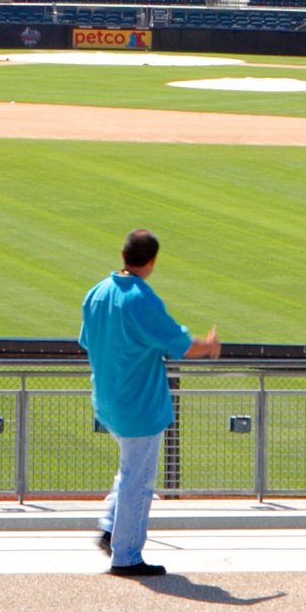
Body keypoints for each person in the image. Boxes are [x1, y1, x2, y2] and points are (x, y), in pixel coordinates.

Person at [79, 229, 221, 577]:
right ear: (152, 261)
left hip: (109, 399)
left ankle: (111, 527)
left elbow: (88, 340)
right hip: (137, 405)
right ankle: (125, 555)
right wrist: (209, 345)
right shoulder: (141, 298)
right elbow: (183, 346)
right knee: (138, 481)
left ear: (123, 253)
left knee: (130, 469)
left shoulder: (97, 292)